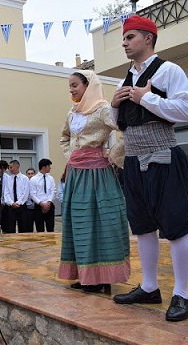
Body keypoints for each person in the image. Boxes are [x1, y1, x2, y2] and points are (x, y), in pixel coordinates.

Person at [110, 16, 188, 322]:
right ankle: (149, 286)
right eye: (124, 37)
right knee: (143, 225)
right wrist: (114, 105)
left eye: (130, 36)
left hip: (164, 156)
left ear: (148, 38)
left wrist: (149, 98)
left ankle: (182, 293)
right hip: (132, 160)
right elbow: (118, 123)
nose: (124, 42)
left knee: (175, 226)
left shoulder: (170, 70)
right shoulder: (123, 80)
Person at [57, 70, 130, 294]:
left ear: (88, 86)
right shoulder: (72, 113)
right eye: (69, 86)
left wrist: (113, 154)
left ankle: (103, 276)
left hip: (98, 176)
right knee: (79, 224)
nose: (71, 90)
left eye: (75, 85)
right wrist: (71, 157)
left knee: (100, 222)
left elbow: (127, 130)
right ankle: (86, 275)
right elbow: (65, 137)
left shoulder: (103, 110)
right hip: (76, 175)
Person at [29, 159, 56, 232]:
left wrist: (48, 203)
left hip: (49, 205)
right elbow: (32, 194)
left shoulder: (50, 178)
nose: (50, 168)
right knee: (40, 229)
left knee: (50, 228)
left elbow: (53, 191)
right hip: (38, 206)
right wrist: (42, 204)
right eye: (48, 166)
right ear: (44, 167)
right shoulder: (34, 179)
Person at [3, 160, 30, 233]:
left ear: (17, 166)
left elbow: (25, 193)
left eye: (11, 167)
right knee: (10, 228)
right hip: (11, 206)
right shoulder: (8, 179)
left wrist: (18, 202)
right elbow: (6, 193)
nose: (10, 169)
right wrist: (12, 203)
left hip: (21, 206)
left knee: (23, 227)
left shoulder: (24, 178)